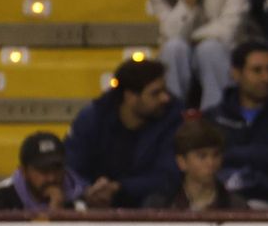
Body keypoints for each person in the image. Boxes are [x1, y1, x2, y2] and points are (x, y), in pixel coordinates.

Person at [63, 58, 183, 209]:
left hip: (147, 206)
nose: (165, 98)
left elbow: (168, 176)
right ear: (130, 96)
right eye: (155, 93)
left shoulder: (172, 118)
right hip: (94, 204)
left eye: (164, 91)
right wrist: (88, 191)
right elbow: (71, 167)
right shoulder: (93, 118)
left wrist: (119, 187)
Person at [206, 41, 268, 204]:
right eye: (257, 70)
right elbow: (208, 161)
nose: (267, 78)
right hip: (225, 201)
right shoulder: (215, 116)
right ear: (236, 73)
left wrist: (231, 153)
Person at [142, 119, 249, 211]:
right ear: (182, 162)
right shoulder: (159, 205)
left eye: (216, 155)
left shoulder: (236, 206)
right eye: (202, 156)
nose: (211, 163)